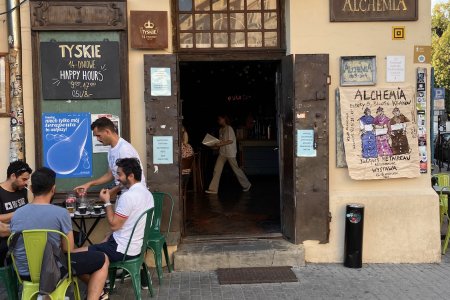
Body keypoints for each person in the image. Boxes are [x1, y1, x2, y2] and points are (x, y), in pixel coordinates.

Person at [10, 167, 109, 300]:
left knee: (75, 262)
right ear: (53, 189)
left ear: (32, 189)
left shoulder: (17, 214)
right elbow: (68, 249)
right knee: (102, 258)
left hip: (24, 274)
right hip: (53, 271)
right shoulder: (61, 213)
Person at [75, 158, 153, 266]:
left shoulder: (128, 197)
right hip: (136, 246)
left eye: (120, 174)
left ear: (130, 176)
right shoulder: (147, 194)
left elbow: (114, 225)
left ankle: (99, 280)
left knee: (73, 255)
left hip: (122, 249)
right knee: (102, 240)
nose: (117, 178)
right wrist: (110, 236)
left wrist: (107, 201)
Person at [74, 117, 145, 197]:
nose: (98, 139)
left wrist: (111, 192)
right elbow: (110, 175)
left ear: (107, 132)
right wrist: (89, 184)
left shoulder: (124, 149)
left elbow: (130, 179)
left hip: (134, 196)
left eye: (99, 136)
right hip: (124, 195)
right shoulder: (111, 149)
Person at [205, 114, 251, 194]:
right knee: (217, 169)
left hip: (230, 152)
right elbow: (220, 142)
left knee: (236, 169)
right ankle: (213, 189)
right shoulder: (221, 130)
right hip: (222, 152)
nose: (218, 120)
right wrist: (214, 145)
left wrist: (219, 144)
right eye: (218, 119)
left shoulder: (229, 128)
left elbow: (230, 141)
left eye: (220, 119)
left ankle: (247, 185)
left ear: (224, 119)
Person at [0, 161, 32, 266]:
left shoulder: (22, 190)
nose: (26, 182)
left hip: (24, 236)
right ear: (13, 176)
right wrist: (20, 212)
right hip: (6, 240)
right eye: (24, 179)